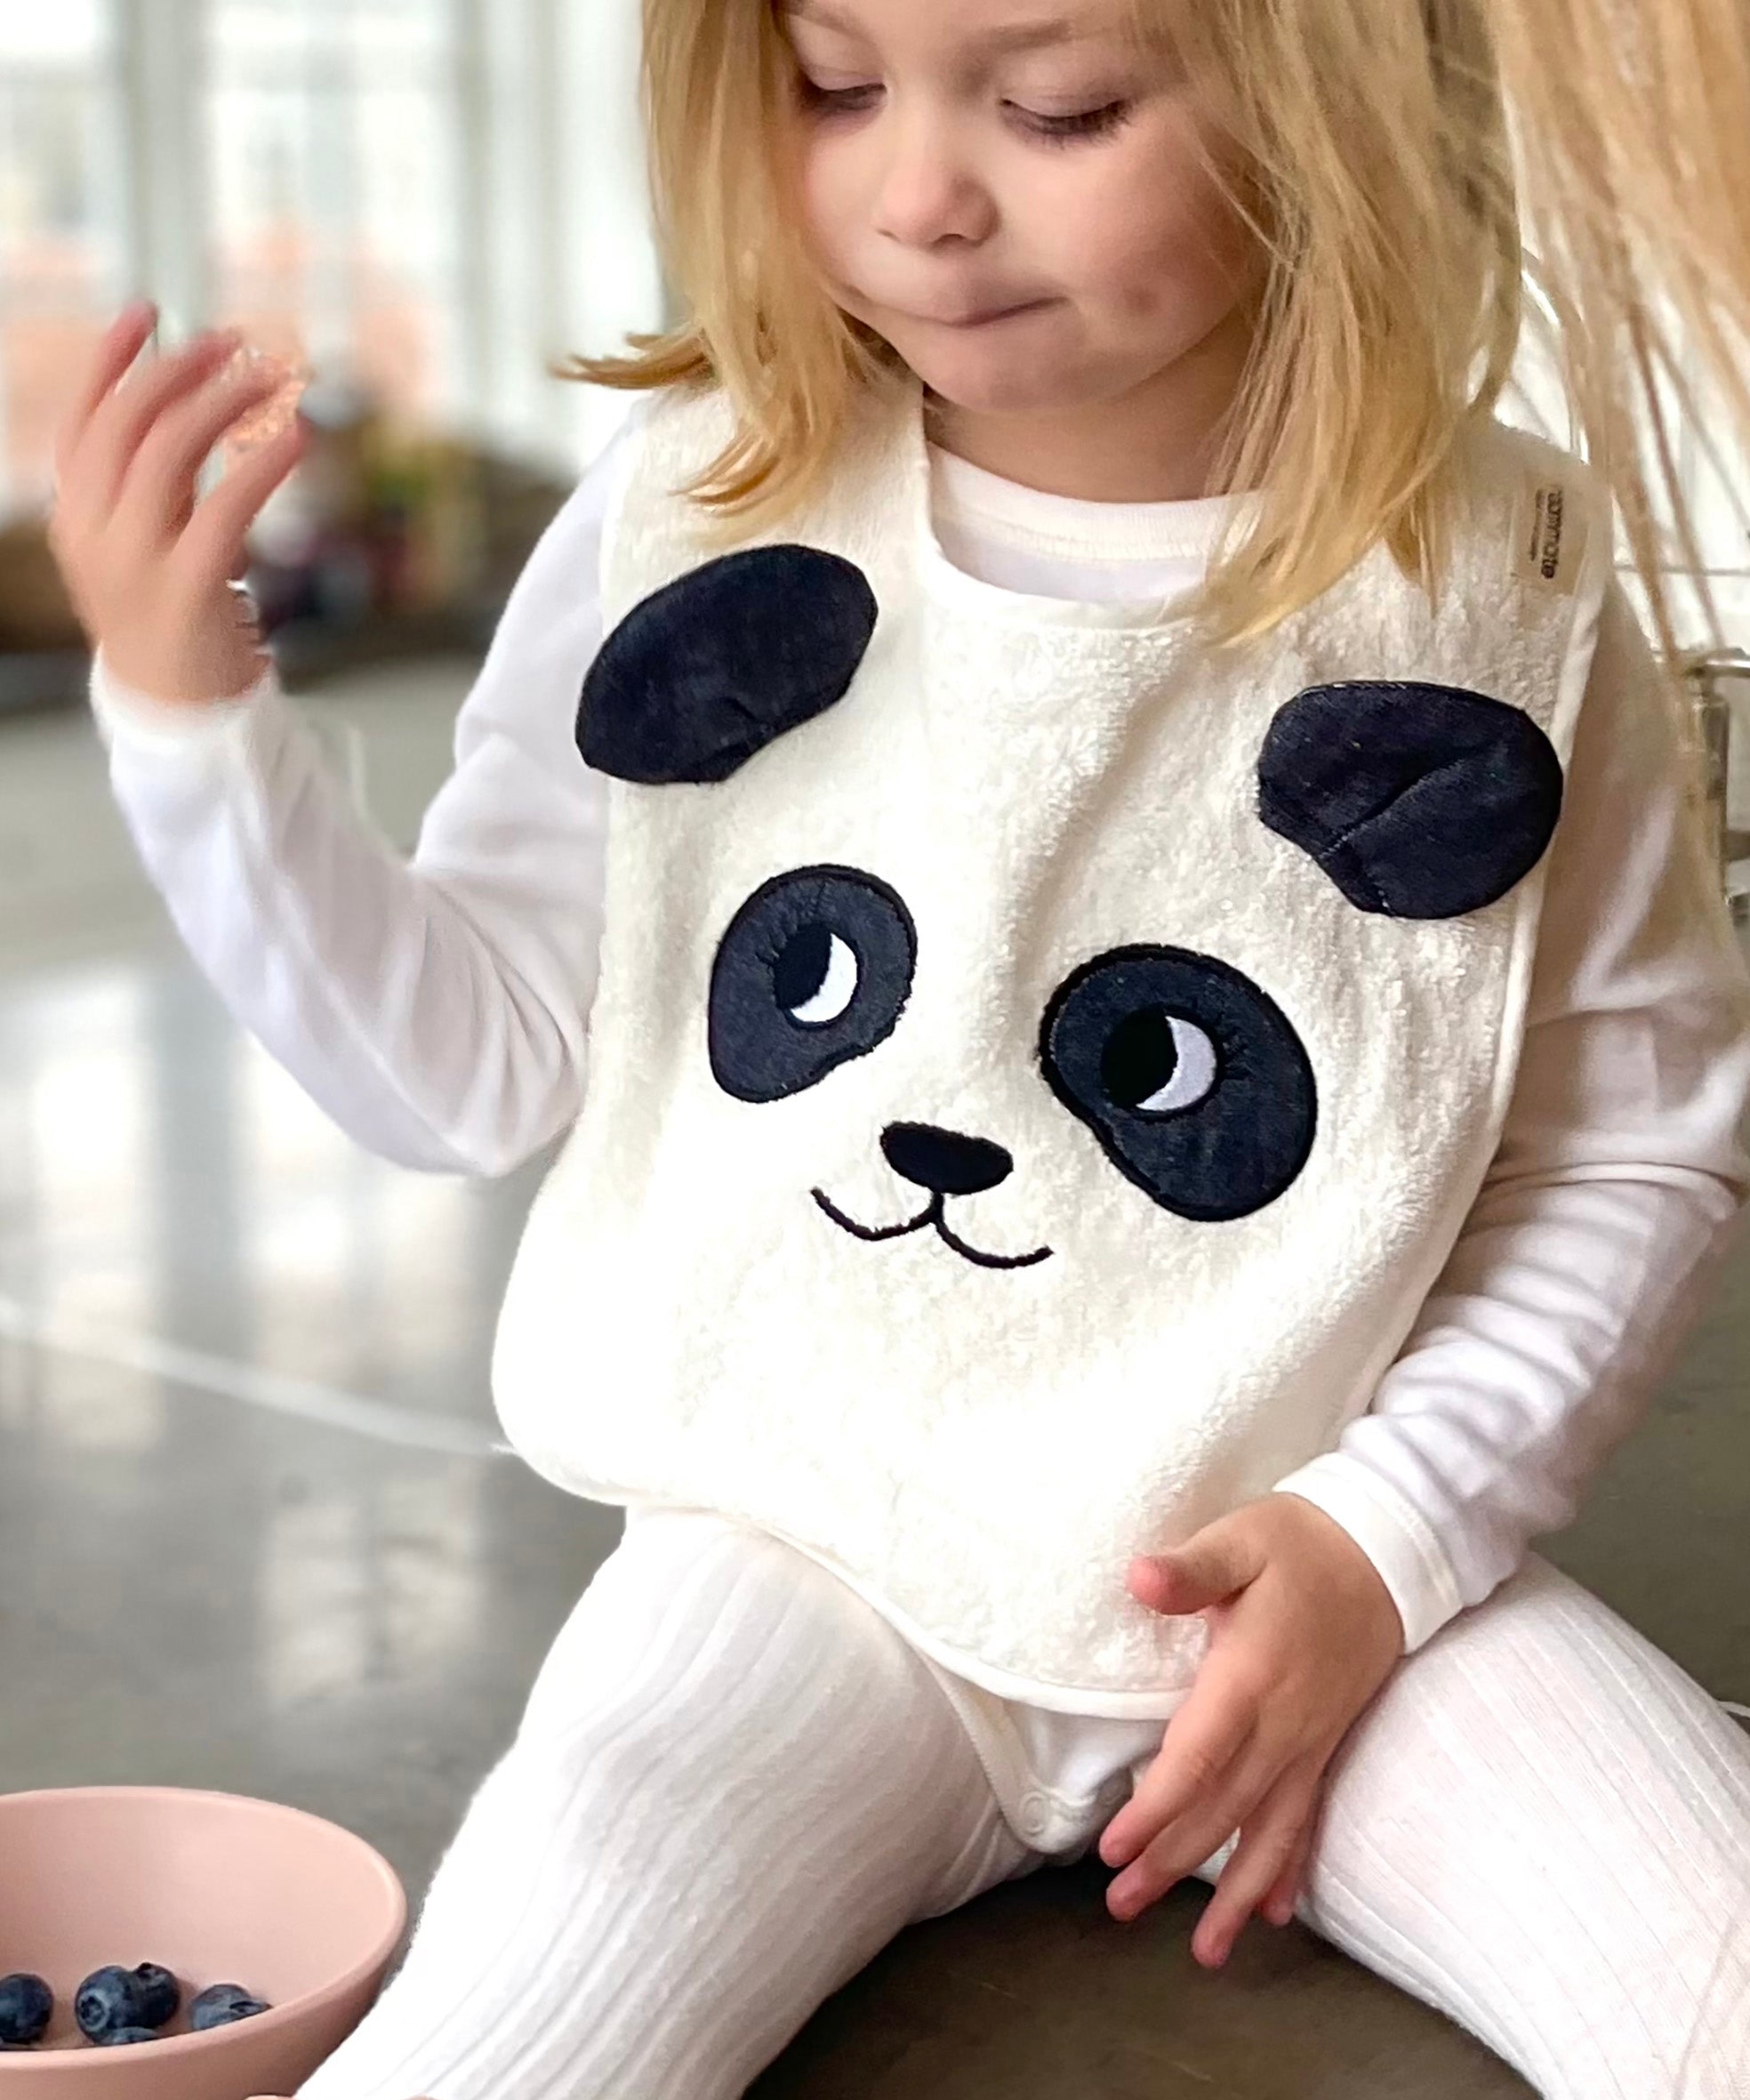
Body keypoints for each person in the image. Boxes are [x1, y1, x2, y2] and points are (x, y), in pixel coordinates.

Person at [44, 0, 1750, 2091]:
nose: (921, 195)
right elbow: (460, 1063)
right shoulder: (702, 503)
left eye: (1060, 105)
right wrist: (194, 729)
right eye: (835, 84)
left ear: (1349, 106)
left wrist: (1385, 1540)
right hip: (811, 1554)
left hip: (1308, 1581)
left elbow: (1634, 1153)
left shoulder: (1514, 584)